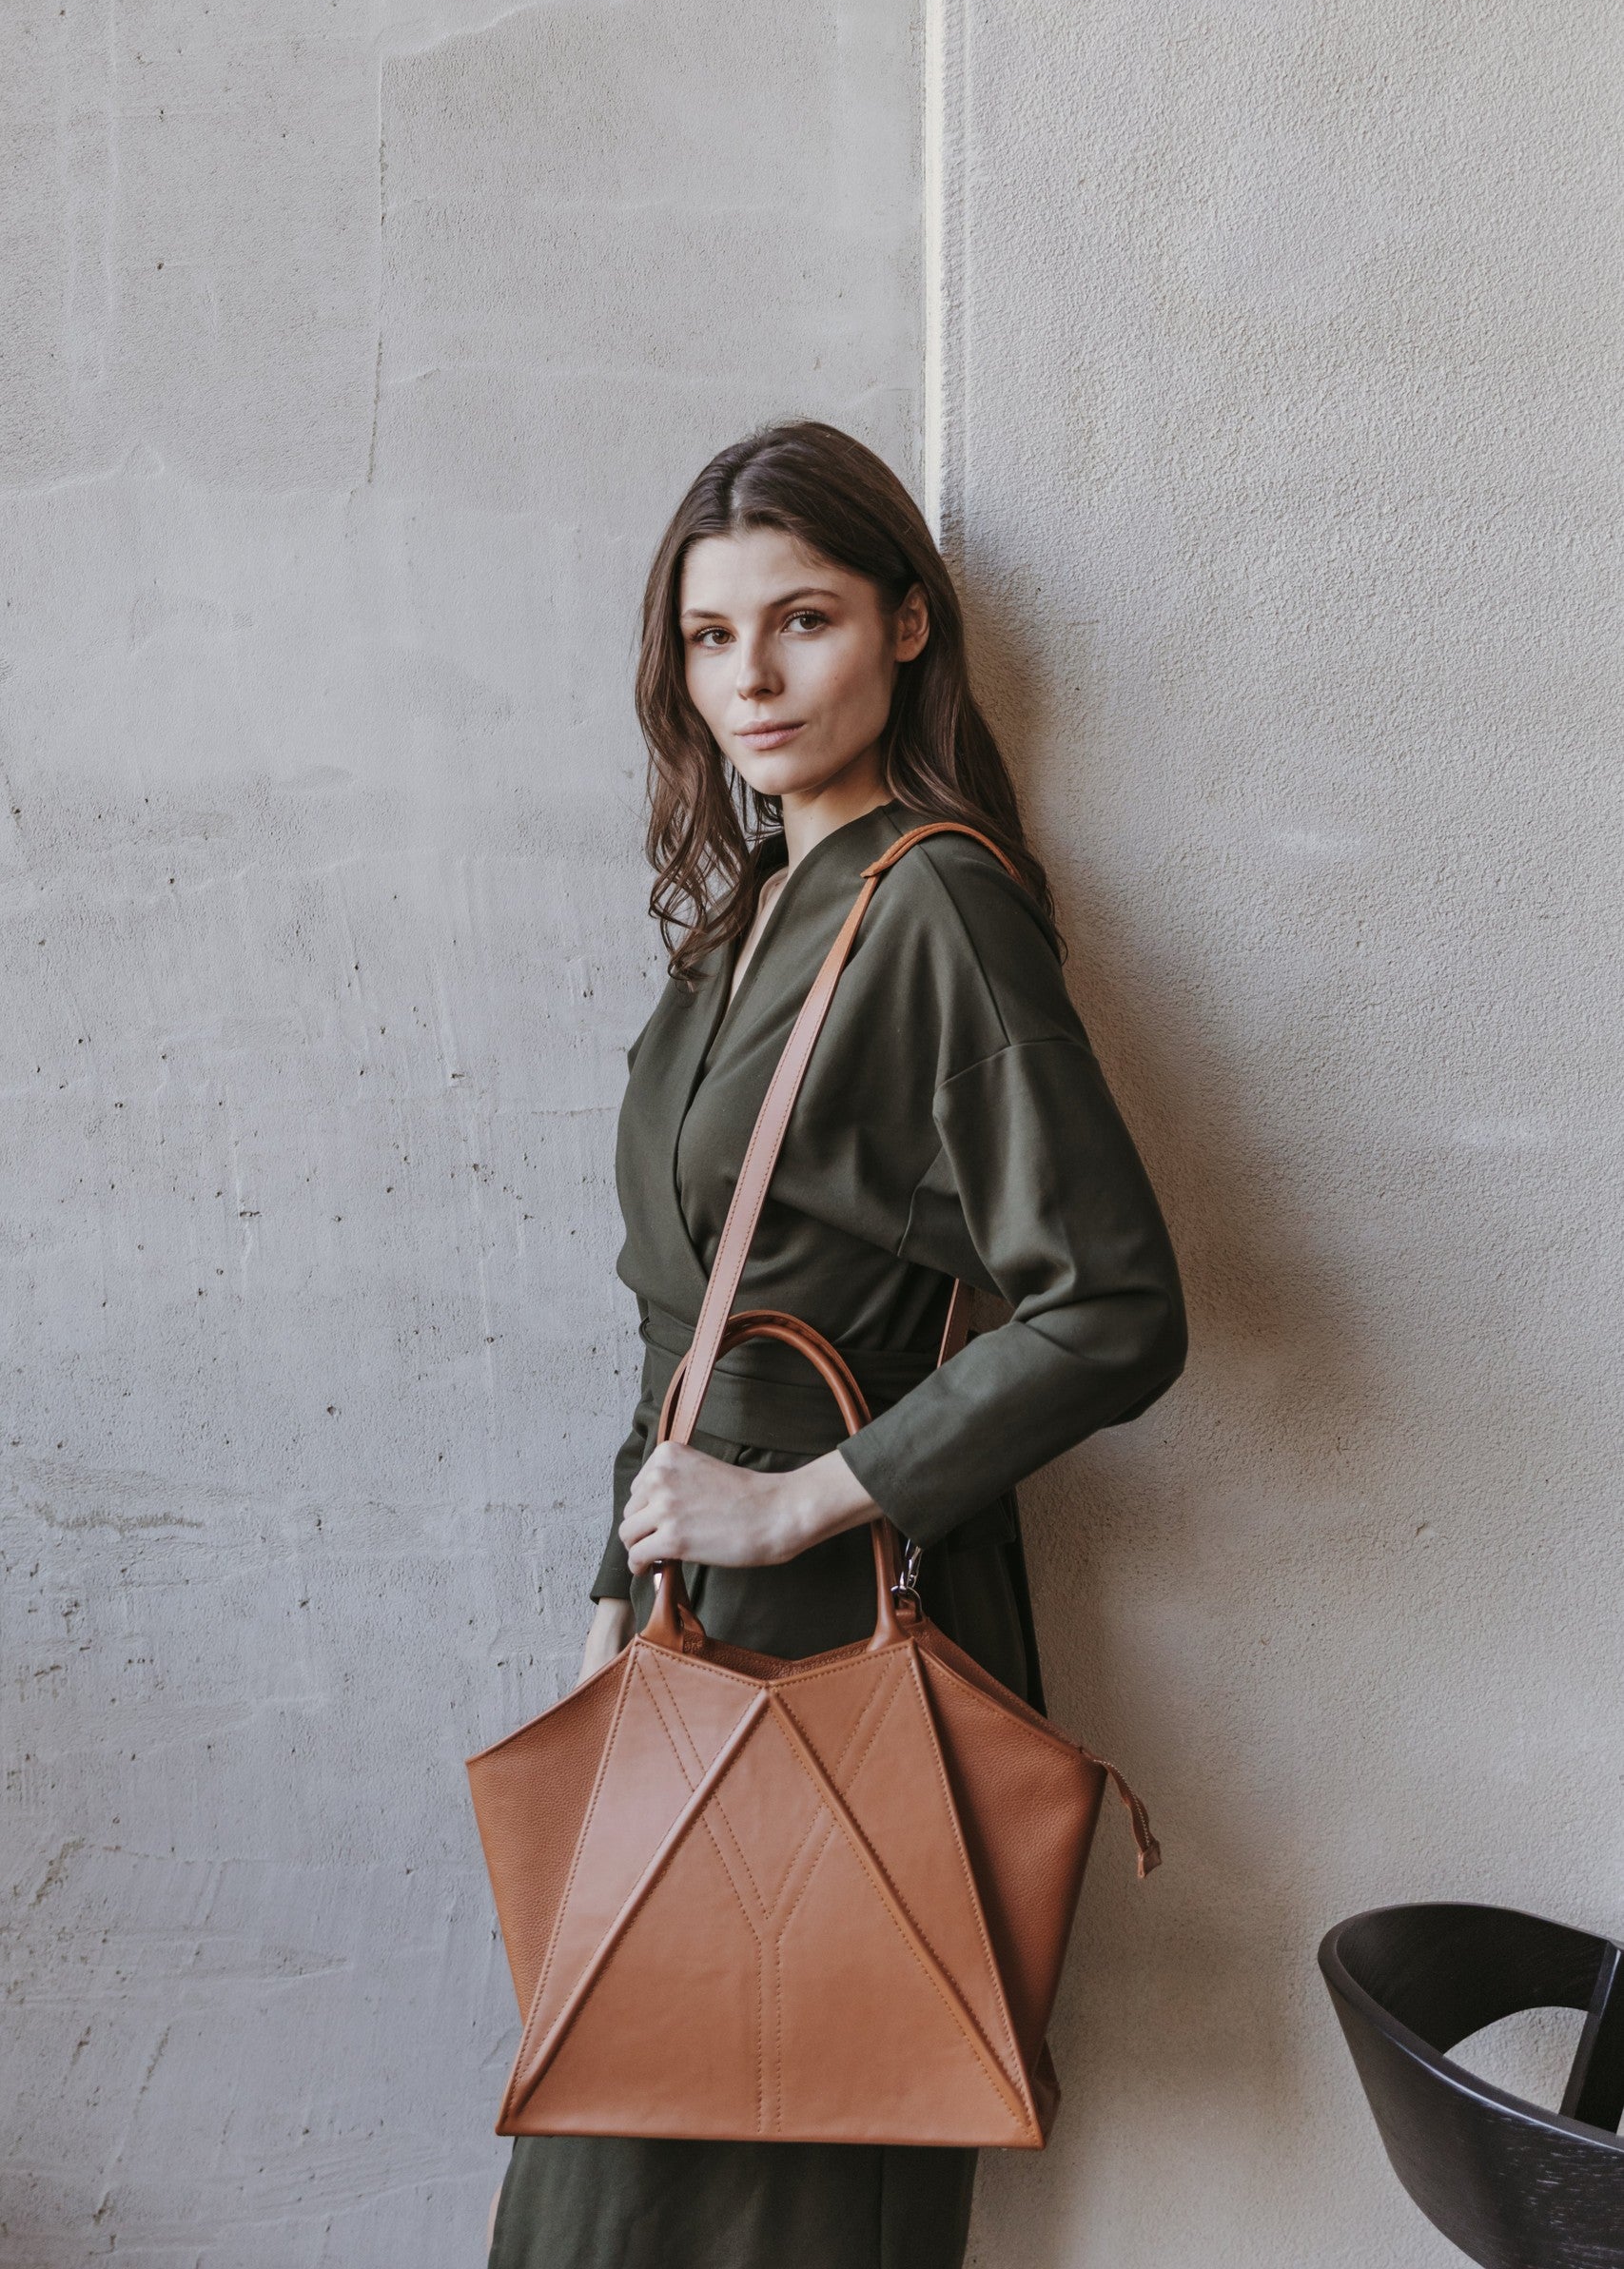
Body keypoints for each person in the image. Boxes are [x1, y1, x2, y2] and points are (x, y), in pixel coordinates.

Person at [485, 421, 1186, 2269]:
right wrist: (606, 1581)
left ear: (902, 623)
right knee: (613, 2178)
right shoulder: (738, 922)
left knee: (777, 2180)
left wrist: (793, 1502)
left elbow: (1110, 1302)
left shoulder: (929, 900)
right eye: (709, 639)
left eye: (797, 621)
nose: (750, 680)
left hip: (840, 1623)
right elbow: (673, 1327)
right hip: (686, 1630)